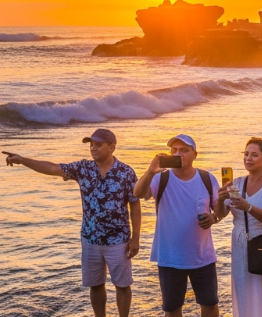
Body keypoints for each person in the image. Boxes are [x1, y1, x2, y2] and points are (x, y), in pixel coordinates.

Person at [3, 129, 140, 317]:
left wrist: (135, 238)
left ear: (112, 147)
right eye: (91, 144)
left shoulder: (126, 172)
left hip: (118, 240)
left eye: (98, 145)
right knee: (95, 285)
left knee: (123, 285)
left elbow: (135, 204)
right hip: (90, 238)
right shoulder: (83, 168)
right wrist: (23, 160)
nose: (93, 148)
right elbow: (52, 168)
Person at [133, 134, 221, 317]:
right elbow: (139, 193)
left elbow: (220, 209)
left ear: (194, 154)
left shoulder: (206, 178)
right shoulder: (161, 178)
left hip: (202, 256)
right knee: (172, 310)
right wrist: (150, 171)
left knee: (210, 306)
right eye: (174, 150)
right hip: (170, 257)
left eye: (184, 150)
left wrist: (215, 217)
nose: (178, 153)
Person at [215, 137, 262, 317]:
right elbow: (220, 214)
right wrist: (219, 198)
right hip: (242, 244)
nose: (248, 158)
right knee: (245, 291)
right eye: (246, 154)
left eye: (254, 155)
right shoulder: (237, 184)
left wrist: (247, 206)